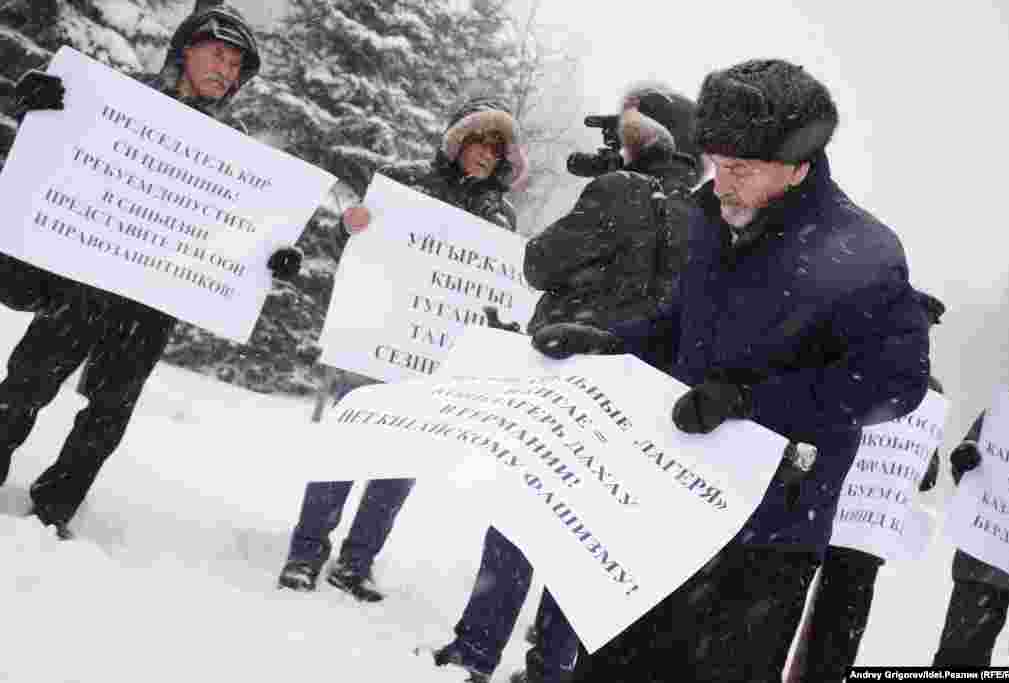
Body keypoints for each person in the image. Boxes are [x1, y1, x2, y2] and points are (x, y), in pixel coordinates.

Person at [532, 58, 931, 682]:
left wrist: (750, 401)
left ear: (798, 167)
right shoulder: (709, 217)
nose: (721, 183)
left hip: (767, 537)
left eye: (741, 169)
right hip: (666, 504)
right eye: (717, 163)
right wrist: (609, 340)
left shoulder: (864, 251)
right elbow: (677, 325)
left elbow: (894, 383)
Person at [0, 2, 302, 540]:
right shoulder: (119, 99)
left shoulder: (238, 150)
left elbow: (243, 230)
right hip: (83, 277)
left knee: (109, 412)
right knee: (27, 382)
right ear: (184, 50)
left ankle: (55, 507)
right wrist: (34, 107)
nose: (224, 72)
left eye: (236, 66)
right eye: (217, 55)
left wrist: (273, 256)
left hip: (151, 299)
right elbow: (57, 150)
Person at [434, 84, 703, 683]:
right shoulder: (705, 214)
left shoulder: (619, 190)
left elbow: (540, 263)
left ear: (643, 140)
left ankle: (474, 652)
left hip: (569, 379)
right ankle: (550, 668)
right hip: (638, 396)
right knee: (586, 535)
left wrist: (605, 199)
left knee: (523, 518)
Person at [276, 93, 527, 603]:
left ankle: (356, 563)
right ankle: (305, 554)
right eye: (478, 140)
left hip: (436, 358)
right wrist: (351, 228)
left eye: (495, 149)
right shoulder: (404, 182)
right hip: (375, 340)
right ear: (457, 140)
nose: (484, 155)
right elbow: (351, 245)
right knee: (344, 451)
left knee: (399, 465)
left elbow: (494, 292)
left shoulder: (500, 218)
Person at [794, 291, 945, 682]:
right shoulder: (848, 359)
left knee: (841, 621)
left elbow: (926, 476)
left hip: (864, 528)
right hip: (818, 505)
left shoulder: (930, 394)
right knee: (783, 607)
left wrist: (927, 462)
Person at [932, 388, 1009, 667]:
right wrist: (965, 458)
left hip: (984, 564)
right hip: (984, 560)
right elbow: (969, 469)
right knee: (960, 659)